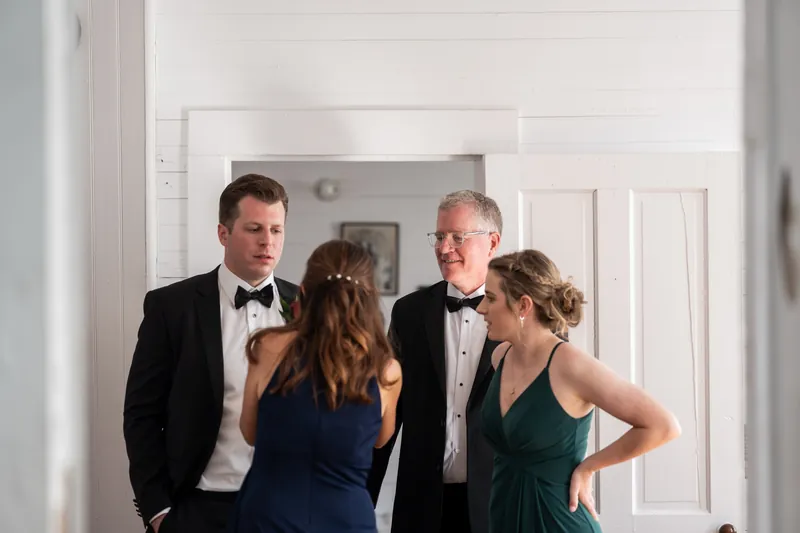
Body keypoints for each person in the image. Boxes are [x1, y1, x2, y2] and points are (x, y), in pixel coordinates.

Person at [123, 174, 299, 533]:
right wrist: (158, 511)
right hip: (199, 509)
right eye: (254, 229)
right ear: (223, 233)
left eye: (276, 230)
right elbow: (141, 414)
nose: (268, 241)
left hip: (289, 507)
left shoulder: (309, 308)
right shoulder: (172, 307)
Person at [476, 250, 682, 532]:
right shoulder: (500, 357)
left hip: (559, 520)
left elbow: (663, 425)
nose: (480, 309)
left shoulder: (570, 365)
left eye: (490, 298)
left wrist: (589, 467)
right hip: (504, 517)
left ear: (523, 305)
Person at [228, 239, 402, 532]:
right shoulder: (386, 369)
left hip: (268, 517)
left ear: (304, 292)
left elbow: (249, 431)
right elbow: (381, 439)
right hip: (347, 520)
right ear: (369, 297)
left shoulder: (268, 347)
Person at [367, 190, 502, 533]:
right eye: (440, 236)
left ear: (492, 242)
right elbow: (387, 408)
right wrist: (359, 495)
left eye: (458, 237)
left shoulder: (520, 313)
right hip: (421, 503)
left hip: (497, 502)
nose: (444, 248)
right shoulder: (409, 312)